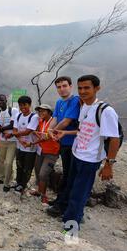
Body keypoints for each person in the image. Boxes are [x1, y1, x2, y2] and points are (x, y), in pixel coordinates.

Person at [50, 75, 120, 231]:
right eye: (80, 88)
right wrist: (65, 134)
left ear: (97, 88)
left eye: (87, 87)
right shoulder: (85, 107)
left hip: (90, 160)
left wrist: (109, 164)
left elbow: (114, 138)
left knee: (79, 194)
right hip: (77, 154)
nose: (82, 91)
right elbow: (82, 130)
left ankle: (70, 230)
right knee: (71, 187)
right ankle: (70, 217)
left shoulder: (106, 111)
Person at [46, 76, 81, 213]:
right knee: (66, 174)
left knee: (69, 175)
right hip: (63, 142)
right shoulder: (59, 102)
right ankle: (60, 199)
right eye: (59, 87)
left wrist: (52, 131)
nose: (62, 89)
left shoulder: (75, 101)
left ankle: (62, 205)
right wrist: (48, 129)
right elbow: (54, 118)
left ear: (70, 86)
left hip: (73, 144)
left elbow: (66, 121)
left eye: (64, 86)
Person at [6, 95, 39, 193]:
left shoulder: (34, 117)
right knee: (19, 165)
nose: (22, 107)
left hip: (30, 148)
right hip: (20, 146)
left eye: (25, 105)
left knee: (27, 167)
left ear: (29, 105)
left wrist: (12, 134)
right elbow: (15, 129)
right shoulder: (18, 115)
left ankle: (23, 185)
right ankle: (18, 182)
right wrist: (20, 140)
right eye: (20, 105)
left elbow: (28, 131)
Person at [29, 104, 60, 205]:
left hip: (51, 153)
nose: (41, 113)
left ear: (49, 112)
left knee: (43, 174)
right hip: (40, 151)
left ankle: (43, 195)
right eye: (39, 111)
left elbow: (46, 137)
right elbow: (39, 133)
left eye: (43, 111)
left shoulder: (54, 122)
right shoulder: (41, 121)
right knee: (38, 172)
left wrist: (32, 142)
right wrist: (35, 133)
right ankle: (39, 191)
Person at [0, 94, 19, 192]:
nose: (0, 102)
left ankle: (7, 183)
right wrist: (2, 130)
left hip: (12, 141)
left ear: (6, 100)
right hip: (2, 140)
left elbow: (13, 125)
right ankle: (1, 177)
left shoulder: (13, 111)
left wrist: (1, 129)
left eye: (2, 100)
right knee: (1, 161)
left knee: (8, 163)